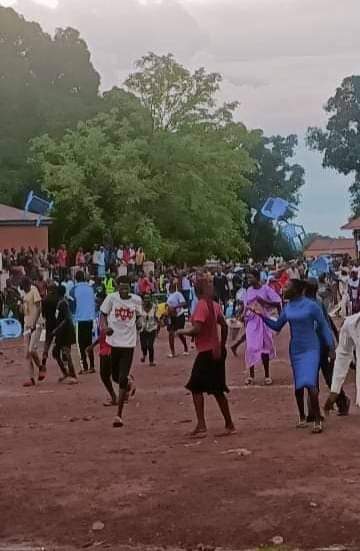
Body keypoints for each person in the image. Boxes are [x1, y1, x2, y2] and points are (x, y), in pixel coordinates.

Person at [253, 279, 335, 434]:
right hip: (296, 349)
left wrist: (330, 347)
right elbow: (277, 325)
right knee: (298, 385)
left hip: (311, 347)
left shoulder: (312, 306)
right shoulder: (288, 307)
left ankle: (317, 420)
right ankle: (302, 416)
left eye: (287, 287)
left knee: (310, 383)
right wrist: (261, 316)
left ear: (297, 290)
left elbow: (324, 326)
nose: (283, 289)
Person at [177, 275, 236, 437]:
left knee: (196, 387)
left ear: (197, 290)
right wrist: (222, 344)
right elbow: (224, 326)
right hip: (215, 350)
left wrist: (182, 331)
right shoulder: (215, 305)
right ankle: (229, 423)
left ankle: (202, 424)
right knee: (217, 389)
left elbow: (196, 329)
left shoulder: (201, 306)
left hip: (205, 352)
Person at [100, 276, 142, 427]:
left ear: (131, 287)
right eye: (121, 287)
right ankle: (129, 384)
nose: (124, 290)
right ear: (117, 287)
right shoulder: (111, 298)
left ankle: (119, 415)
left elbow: (139, 316)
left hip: (128, 344)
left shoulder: (136, 300)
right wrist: (105, 328)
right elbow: (103, 315)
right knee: (115, 376)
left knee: (122, 377)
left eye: (127, 287)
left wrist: (140, 323)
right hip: (113, 343)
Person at [305, 279, 350, 417]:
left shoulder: (314, 304)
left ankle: (341, 401)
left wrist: (331, 345)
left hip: (320, 345)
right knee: (322, 377)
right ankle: (315, 411)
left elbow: (324, 324)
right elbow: (328, 321)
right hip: (316, 346)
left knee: (326, 377)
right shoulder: (314, 302)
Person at [243, 269, 282, 385]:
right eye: (248, 278)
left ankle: (267, 375)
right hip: (251, 321)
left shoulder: (265, 289)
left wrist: (263, 301)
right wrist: (241, 315)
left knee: (265, 347)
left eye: (251, 278)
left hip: (263, 321)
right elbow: (245, 305)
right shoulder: (248, 290)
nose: (249, 280)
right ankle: (251, 375)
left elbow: (277, 302)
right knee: (250, 347)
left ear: (257, 278)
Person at [52, 284, 78, 384]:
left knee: (66, 353)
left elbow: (67, 319)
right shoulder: (60, 302)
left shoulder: (63, 303)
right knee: (56, 352)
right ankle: (65, 372)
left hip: (66, 331)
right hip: (61, 331)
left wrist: (57, 329)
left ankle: (73, 375)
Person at [72, 271, 96, 374]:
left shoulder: (74, 289)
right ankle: (92, 365)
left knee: (80, 345)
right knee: (89, 343)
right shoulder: (90, 288)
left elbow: (72, 303)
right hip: (90, 318)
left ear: (76, 279)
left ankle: (84, 366)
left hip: (80, 319)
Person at [86, 325, 117, 406]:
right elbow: (102, 334)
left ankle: (117, 395)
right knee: (106, 375)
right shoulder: (103, 316)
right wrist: (93, 345)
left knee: (109, 375)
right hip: (105, 350)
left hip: (109, 351)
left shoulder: (111, 317)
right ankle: (123, 389)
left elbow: (112, 332)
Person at [21, 277, 44, 387]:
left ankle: (40, 366)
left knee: (31, 350)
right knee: (27, 353)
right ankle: (31, 378)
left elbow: (39, 308)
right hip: (27, 325)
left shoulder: (34, 290)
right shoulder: (24, 294)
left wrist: (34, 322)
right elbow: (24, 311)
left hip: (36, 324)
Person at [166, 283, 189, 358]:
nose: (170, 287)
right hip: (172, 316)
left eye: (171, 286)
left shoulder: (178, 294)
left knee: (180, 333)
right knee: (171, 333)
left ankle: (185, 348)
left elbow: (184, 303)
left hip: (179, 315)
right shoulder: (168, 295)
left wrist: (175, 307)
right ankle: (173, 352)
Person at [41, 282, 59, 370]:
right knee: (60, 342)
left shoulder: (44, 300)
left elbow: (43, 314)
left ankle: (44, 357)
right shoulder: (58, 299)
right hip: (58, 323)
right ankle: (64, 360)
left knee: (47, 342)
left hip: (49, 323)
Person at [139, 295, 159, 366]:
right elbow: (137, 316)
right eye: (145, 298)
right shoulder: (140, 307)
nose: (146, 300)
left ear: (150, 299)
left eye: (148, 298)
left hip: (152, 328)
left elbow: (156, 316)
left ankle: (151, 361)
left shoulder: (154, 307)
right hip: (143, 329)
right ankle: (144, 355)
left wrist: (159, 322)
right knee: (143, 345)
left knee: (150, 345)